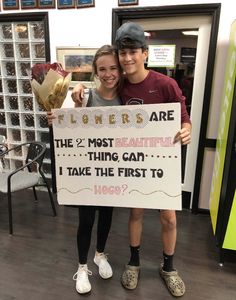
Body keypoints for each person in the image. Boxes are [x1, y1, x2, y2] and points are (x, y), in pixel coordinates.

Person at [72, 22, 191, 298]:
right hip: (132, 165)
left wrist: (187, 131)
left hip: (162, 161)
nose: (126, 59)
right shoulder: (121, 85)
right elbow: (98, 92)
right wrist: (78, 89)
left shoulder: (166, 84)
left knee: (169, 218)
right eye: (122, 53)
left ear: (145, 53)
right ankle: (133, 262)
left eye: (132, 52)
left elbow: (184, 118)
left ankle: (169, 268)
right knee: (135, 213)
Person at [48, 45, 122, 295]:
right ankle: (82, 266)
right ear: (95, 72)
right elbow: (73, 127)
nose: (108, 73)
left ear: (120, 70)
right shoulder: (86, 96)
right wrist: (57, 119)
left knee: (107, 216)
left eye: (113, 68)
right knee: (86, 219)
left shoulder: (126, 97)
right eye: (102, 69)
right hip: (88, 171)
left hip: (113, 169)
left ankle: (100, 254)